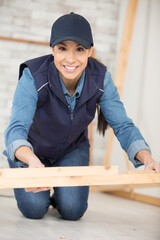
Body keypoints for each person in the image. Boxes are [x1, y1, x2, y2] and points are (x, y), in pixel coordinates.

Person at [3, 12, 160, 220]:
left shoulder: (101, 79)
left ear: (90, 51)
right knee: (33, 209)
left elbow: (123, 125)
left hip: (72, 149)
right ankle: (41, 191)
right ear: (52, 50)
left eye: (79, 49)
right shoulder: (33, 76)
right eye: (62, 49)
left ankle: (61, 194)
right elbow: (16, 129)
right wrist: (31, 161)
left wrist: (147, 159)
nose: (70, 58)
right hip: (32, 153)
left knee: (73, 211)